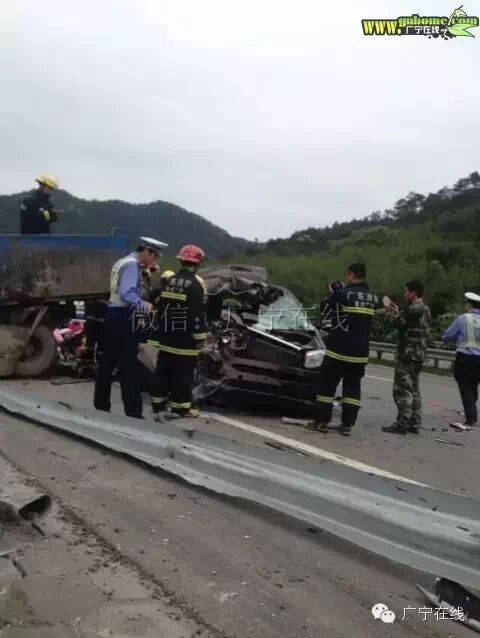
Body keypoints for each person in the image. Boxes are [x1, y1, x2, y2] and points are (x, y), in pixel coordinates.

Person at [93, 237, 167, 419]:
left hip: (112, 315)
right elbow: (127, 293)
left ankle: (101, 407)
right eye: (154, 257)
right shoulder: (132, 266)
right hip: (123, 317)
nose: (154, 262)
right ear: (147, 252)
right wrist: (143, 305)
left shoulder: (123, 262)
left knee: (107, 364)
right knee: (129, 367)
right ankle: (133, 413)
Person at [308, 263, 383, 436]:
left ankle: (321, 421)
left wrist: (332, 293)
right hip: (360, 353)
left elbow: (325, 312)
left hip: (339, 350)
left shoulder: (342, 294)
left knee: (326, 385)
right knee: (352, 388)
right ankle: (347, 425)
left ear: (351, 275)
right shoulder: (373, 298)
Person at [149, 245, 208, 417]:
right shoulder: (195, 286)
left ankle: (158, 404)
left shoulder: (169, 281)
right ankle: (180, 408)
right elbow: (196, 315)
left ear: (181, 261)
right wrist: (200, 338)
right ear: (197, 264)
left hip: (166, 336)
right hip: (184, 341)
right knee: (183, 375)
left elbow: (161, 308)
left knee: (163, 372)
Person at [382, 279, 431, 435]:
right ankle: (414, 422)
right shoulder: (425, 309)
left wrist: (388, 309)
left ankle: (402, 423)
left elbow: (397, 323)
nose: (404, 295)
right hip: (419, 354)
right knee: (414, 388)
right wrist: (398, 311)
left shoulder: (414, 309)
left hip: (407, 354)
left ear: (413, 293)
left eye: (406, 292)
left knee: (402, 389)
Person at [443, 292, 480, 427]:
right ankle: (471, 408)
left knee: (465, 386)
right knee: (473, 384)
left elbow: (448, 335)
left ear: (469, 304)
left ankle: (471, 416)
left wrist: (446, 341)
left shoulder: (462, 319)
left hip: (464, 358)